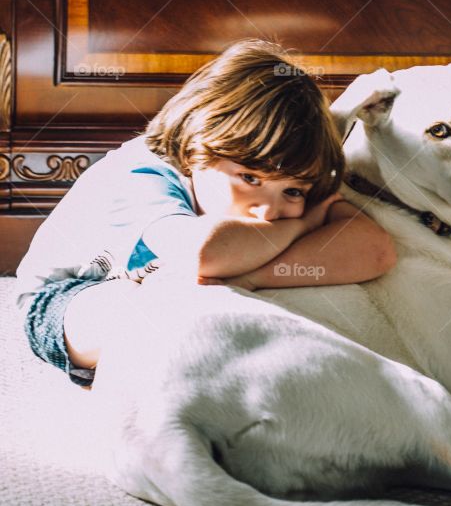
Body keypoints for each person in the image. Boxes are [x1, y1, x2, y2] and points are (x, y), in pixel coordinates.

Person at [15, 38, 396, 387]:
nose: (268, 209)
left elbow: (376, 251)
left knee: (244, 299)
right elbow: (201, 255)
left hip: (182, 283)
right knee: (148, 305)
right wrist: (306, 223)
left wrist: (248, 277)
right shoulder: (142, 171)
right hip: (74, 298)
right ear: (198, 148)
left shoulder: (283, 179)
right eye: (249, 177)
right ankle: (123, 386)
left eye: (294, 190)